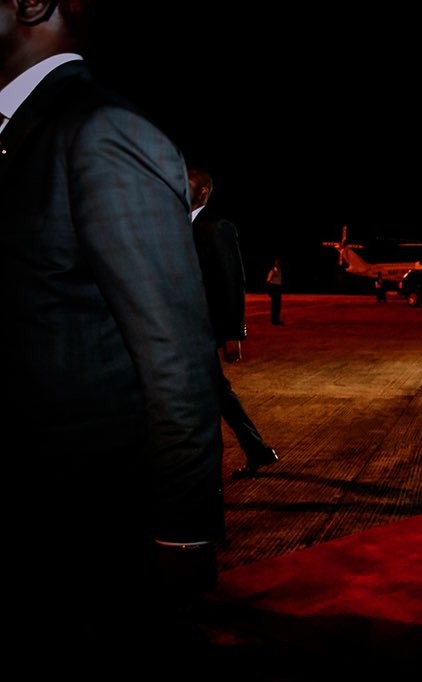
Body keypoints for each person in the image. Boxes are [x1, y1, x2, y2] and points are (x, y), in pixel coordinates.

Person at [0, 0, 224, 668]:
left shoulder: (101, 130)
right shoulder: (20, 134)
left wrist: (182, 534)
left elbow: (176, 356)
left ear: (32, 2)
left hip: (81, 533)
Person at [189, 167, 279, 480]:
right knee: (219, 392)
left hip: (206, 329)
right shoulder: (173, 225)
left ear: (203, 192)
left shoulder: (217, 227)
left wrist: (234, 333)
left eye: (185, 184)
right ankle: (257, 449)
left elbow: (232, 281)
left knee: (210, 394)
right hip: (184, 327)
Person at [267, 256, 283, 324]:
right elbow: (268, 280)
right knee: (275, 305)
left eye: (279, 262)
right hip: (274, 287)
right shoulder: (273, 270)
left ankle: (277, 319)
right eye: (277, 262)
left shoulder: (279, 270)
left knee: (278, 305)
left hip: (278, 288)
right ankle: (274, 320)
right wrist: (270, 290)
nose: (278, 263)